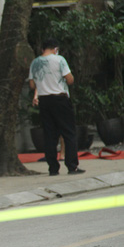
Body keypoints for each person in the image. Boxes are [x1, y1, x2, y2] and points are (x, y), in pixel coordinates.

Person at [29, 38, 85, 176]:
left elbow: (31, 85)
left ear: (43, 49)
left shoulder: (35, 63)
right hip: (60, 99)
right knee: (69, 132)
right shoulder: (59, 60)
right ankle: (72, 166)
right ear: (55, 49)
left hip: (44, 101)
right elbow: (70, 79)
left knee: (49, 135)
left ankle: (53, 168)